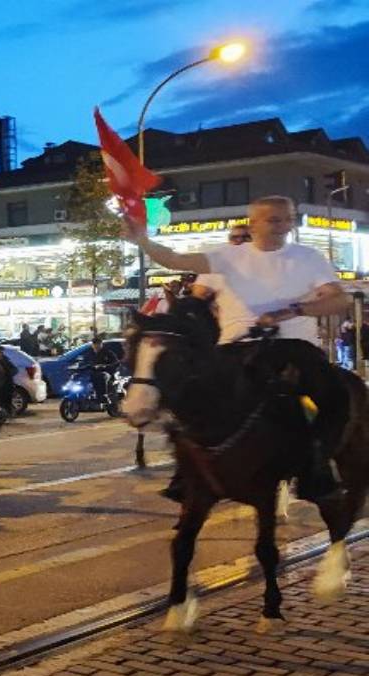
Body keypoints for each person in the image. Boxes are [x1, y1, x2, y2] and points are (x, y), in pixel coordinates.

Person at [125, 195, 350, 501]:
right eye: (275, 219)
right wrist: (143, 241)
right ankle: (186, 468)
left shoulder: (309, 257)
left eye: (289, 218)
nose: (285, 226)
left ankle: (318, 465)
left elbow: (339, 299)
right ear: (253, 222)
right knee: (189, 394)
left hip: (293, 345)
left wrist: (294, 310)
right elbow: (176, 260)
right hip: (236, 346)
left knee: (330, 394)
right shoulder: (226, 257)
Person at [79, 335, 119, 405]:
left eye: (98, 344)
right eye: (94, 344)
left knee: (101, 376)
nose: (96, 346)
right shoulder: (89, 354)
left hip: (106, 373)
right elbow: (83, 363)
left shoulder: (108, 353)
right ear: (92, 345)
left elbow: (116, 363)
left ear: (101, 344)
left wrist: (104, 366)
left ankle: (103, 396)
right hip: (92, 373)